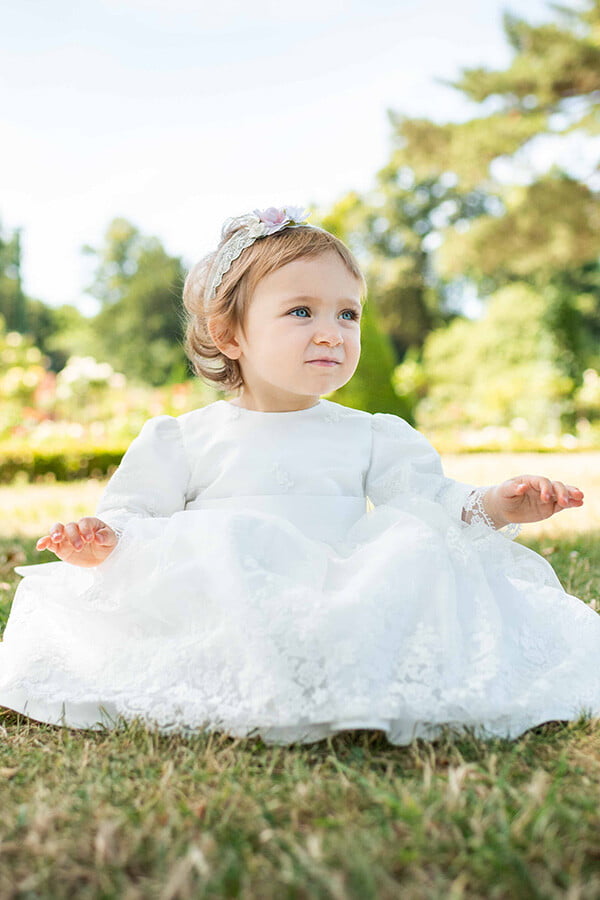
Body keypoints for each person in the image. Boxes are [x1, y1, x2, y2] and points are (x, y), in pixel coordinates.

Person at [1, 206, 598, 746]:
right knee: (223, 548)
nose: (331, 332)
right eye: (301, 311)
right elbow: (135, 513)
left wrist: (495, 503)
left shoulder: (371, 433)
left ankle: (345, 676)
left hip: (341, 590)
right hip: (228, 603)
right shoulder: (182, 438)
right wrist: (104, 539)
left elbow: (429, 501)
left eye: (347, 313)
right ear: (228, 334)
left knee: (409, 552)